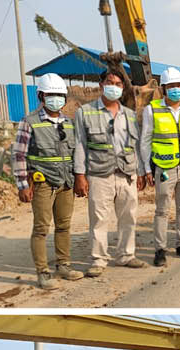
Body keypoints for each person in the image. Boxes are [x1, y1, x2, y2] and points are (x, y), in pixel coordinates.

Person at [11, 73, 84, 290]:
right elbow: (18, 155)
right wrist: (23, 185)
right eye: (51, 95)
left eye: (60, 95)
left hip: (66, 183)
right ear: (42, 95)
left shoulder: (69, 123)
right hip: (42, 183)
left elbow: (77, 153)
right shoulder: (29, 122)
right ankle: (43, 272)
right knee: (41, 228)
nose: (56, 99)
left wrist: (80, 176)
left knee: (64, 226)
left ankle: (64, 265)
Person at [75, 68, 145, 277]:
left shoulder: (130, 115)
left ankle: (126, 255)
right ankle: (98, 259)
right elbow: (80, 144)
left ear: (123, 88)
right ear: (101, 85)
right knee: (99, 218)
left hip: (126, 173)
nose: (113, 86)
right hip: (99, 173)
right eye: (109, 82)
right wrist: (80, 175)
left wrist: (140, 171)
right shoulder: (85, 112)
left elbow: (136, 145)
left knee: (128, 216)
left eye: (117, 83)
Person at [141, 67, 180, 266]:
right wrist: (147, 170)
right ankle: (160, 249)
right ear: (164, 88)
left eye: (179, 85)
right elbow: (145, 141)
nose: (177, 89)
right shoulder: (153, 109)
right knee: (162, 210)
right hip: (164, 168)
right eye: (172, 86)